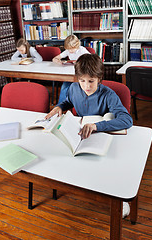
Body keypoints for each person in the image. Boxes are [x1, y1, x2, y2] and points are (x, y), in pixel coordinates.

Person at [46, 53, 133, 218]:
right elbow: (68, 102)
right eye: (82, 80)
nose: (86, 86)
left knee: (110, 165)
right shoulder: (73, 88)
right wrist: (59, 107)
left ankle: (119, 197)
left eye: (91, 81)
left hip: (101, 135)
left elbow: (127, 120)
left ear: (100, 78)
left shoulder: (108, 94)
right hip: (81, 135)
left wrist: (96, 126)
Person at [52, 35, 90, 103]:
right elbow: (55, 58)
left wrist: (81, 62)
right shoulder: (68, 51)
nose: (70, 51)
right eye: (68, 49)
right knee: (64, 87)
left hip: (82, 74)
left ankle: (79, 104)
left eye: (72, 49)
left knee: (77, 88)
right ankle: (61, 105)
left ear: (77, 45)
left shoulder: (82, 50)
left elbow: (92, 60)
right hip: (71, 73)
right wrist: (57, 60)